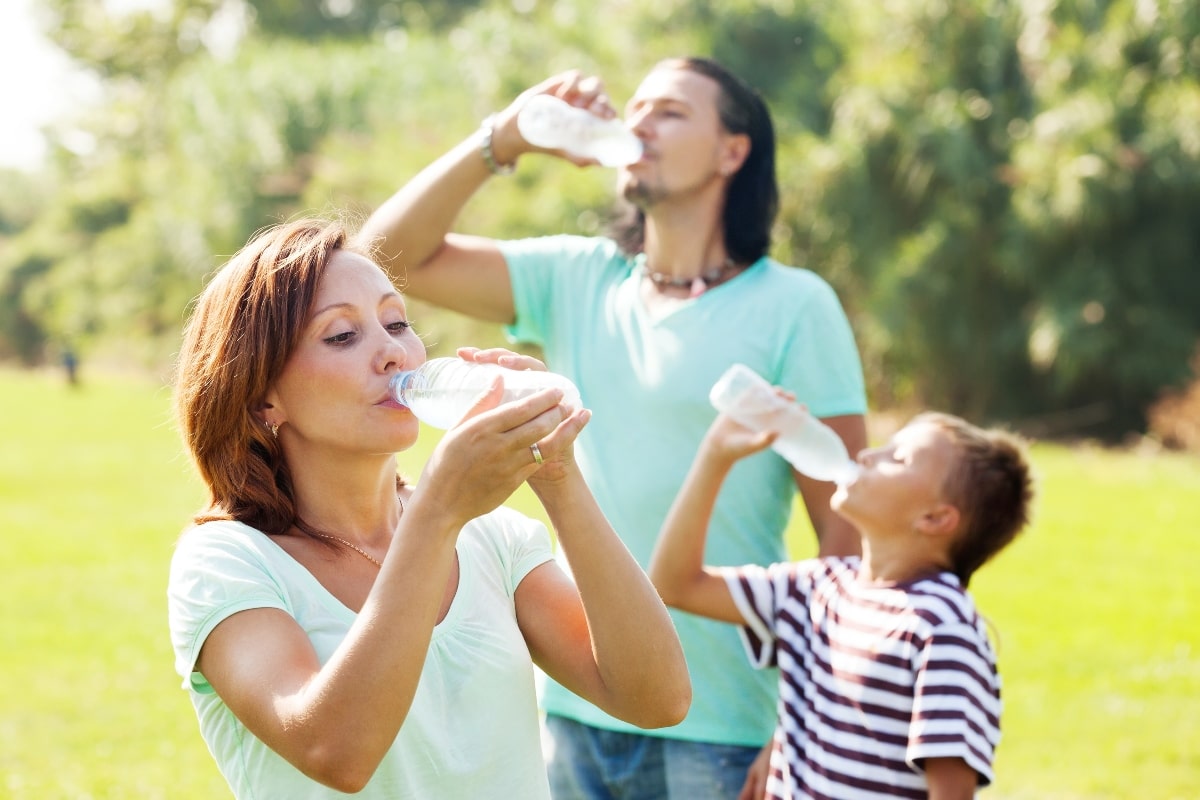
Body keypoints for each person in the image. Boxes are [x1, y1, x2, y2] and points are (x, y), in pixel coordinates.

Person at [357, 57, 869, 797]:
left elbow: (848, 543)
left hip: (725, 726)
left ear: (734, 150)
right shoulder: (576, 278)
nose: (639, 124)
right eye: (635, 109)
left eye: (669, 111)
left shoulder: (796, 306)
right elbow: (384, 258)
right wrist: (506, 137)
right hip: (579, 698)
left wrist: (807, 723)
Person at [166, 218, 690, 799]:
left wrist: (559, 477)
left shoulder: (493, 537)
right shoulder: (227, 563)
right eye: (342, 335)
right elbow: (337, 752)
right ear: (263, 394)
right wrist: (437, 513)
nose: (393, 353)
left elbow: (657, 697)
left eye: (396, 322)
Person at [649, 408, 1035, 799]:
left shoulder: (941, 628)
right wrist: (715, 456)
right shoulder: (816, 588)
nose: (868, 456)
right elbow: (675, 583)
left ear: (935, 518)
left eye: (898, 458)